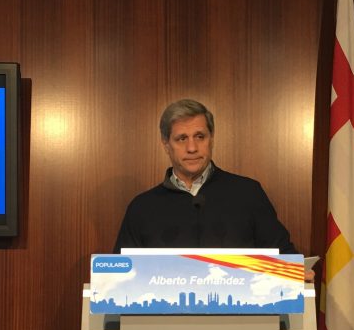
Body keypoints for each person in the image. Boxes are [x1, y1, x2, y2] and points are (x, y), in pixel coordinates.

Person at [113, 99, 300, 254]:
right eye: (182, 139)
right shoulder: (141, 208)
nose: (192, 148)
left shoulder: (248, 193)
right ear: (166, 144)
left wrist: (297, 273)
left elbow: (283, 257)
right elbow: (120, 276)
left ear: (212, 138)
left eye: (200, 137)